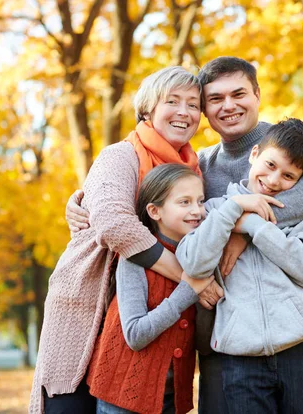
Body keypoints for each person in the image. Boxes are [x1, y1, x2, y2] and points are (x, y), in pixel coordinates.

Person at [65, 57, 303, 413]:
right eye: (214, 99)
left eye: (239, 94)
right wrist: (81, 200)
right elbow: (150, 209)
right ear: (206, 112)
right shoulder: (198, 166)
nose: (229, 106)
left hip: (294, 333)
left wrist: (246, 228)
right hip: (220, 335)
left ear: (257, 95)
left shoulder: (286, 146)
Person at [29, 66, 224, 414]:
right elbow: (113, 221)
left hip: (146, 316)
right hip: (89, 302)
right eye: (173, 101)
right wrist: (190, 280)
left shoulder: (196, 170)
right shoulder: (121, 155)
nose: (184, 112)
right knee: (70, 405)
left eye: (193, 104)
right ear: (148, 109)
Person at [176, 118, 303, 413]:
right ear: (254, 155)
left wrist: (254, 226)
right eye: (271, 165)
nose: (274, 181)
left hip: (302, 351)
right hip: (241, 355)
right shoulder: (215, 209)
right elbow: (193, 264)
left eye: (289, 176)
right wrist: (234, 211)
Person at [87, 164, 215, 414]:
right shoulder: (135, 259)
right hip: (122, 395)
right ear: (155, 211)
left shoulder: (201, 260)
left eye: (200, 201)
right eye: (184, 202)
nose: (197, 211)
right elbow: (135, 335)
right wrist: (188, 292)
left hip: (170, 395)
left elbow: (204, 342)